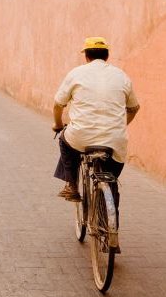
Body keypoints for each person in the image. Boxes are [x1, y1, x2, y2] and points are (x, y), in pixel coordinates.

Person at [53, 37, 140, 207]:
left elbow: (58, 104)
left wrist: (57, 125)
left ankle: (71, 184)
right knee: (111, 176)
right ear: (107, 56)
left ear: (86, 56)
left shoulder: (76, 73)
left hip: (80, 136)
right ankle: (110, 207)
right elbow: (134, 108)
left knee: (64, 140)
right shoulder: (121, 76)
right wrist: (120, 125)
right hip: (115, 139)